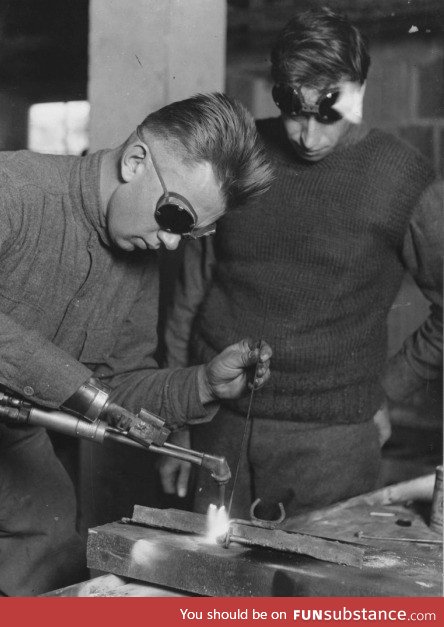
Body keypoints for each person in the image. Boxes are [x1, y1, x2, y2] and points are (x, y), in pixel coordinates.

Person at [0, 93, 273, 596]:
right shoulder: (7, 185)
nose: (171, 243)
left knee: (67, 586)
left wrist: (203, 384)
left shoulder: (138, 255)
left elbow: (118, 385)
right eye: (176, 218)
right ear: (135, 161)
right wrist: (75, 385)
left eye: (192, 234)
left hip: (19, 445)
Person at [160, 8, 442, 522]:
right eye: (294, 111)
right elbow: (189, 295)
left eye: (328, 114)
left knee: (310, 597)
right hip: (217, 426)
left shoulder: (404, 180)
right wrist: (178, 414)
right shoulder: (241, 157)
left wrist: (389, 389)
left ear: (360, 89)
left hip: (331, 448)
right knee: (206, 590)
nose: (308, 136)